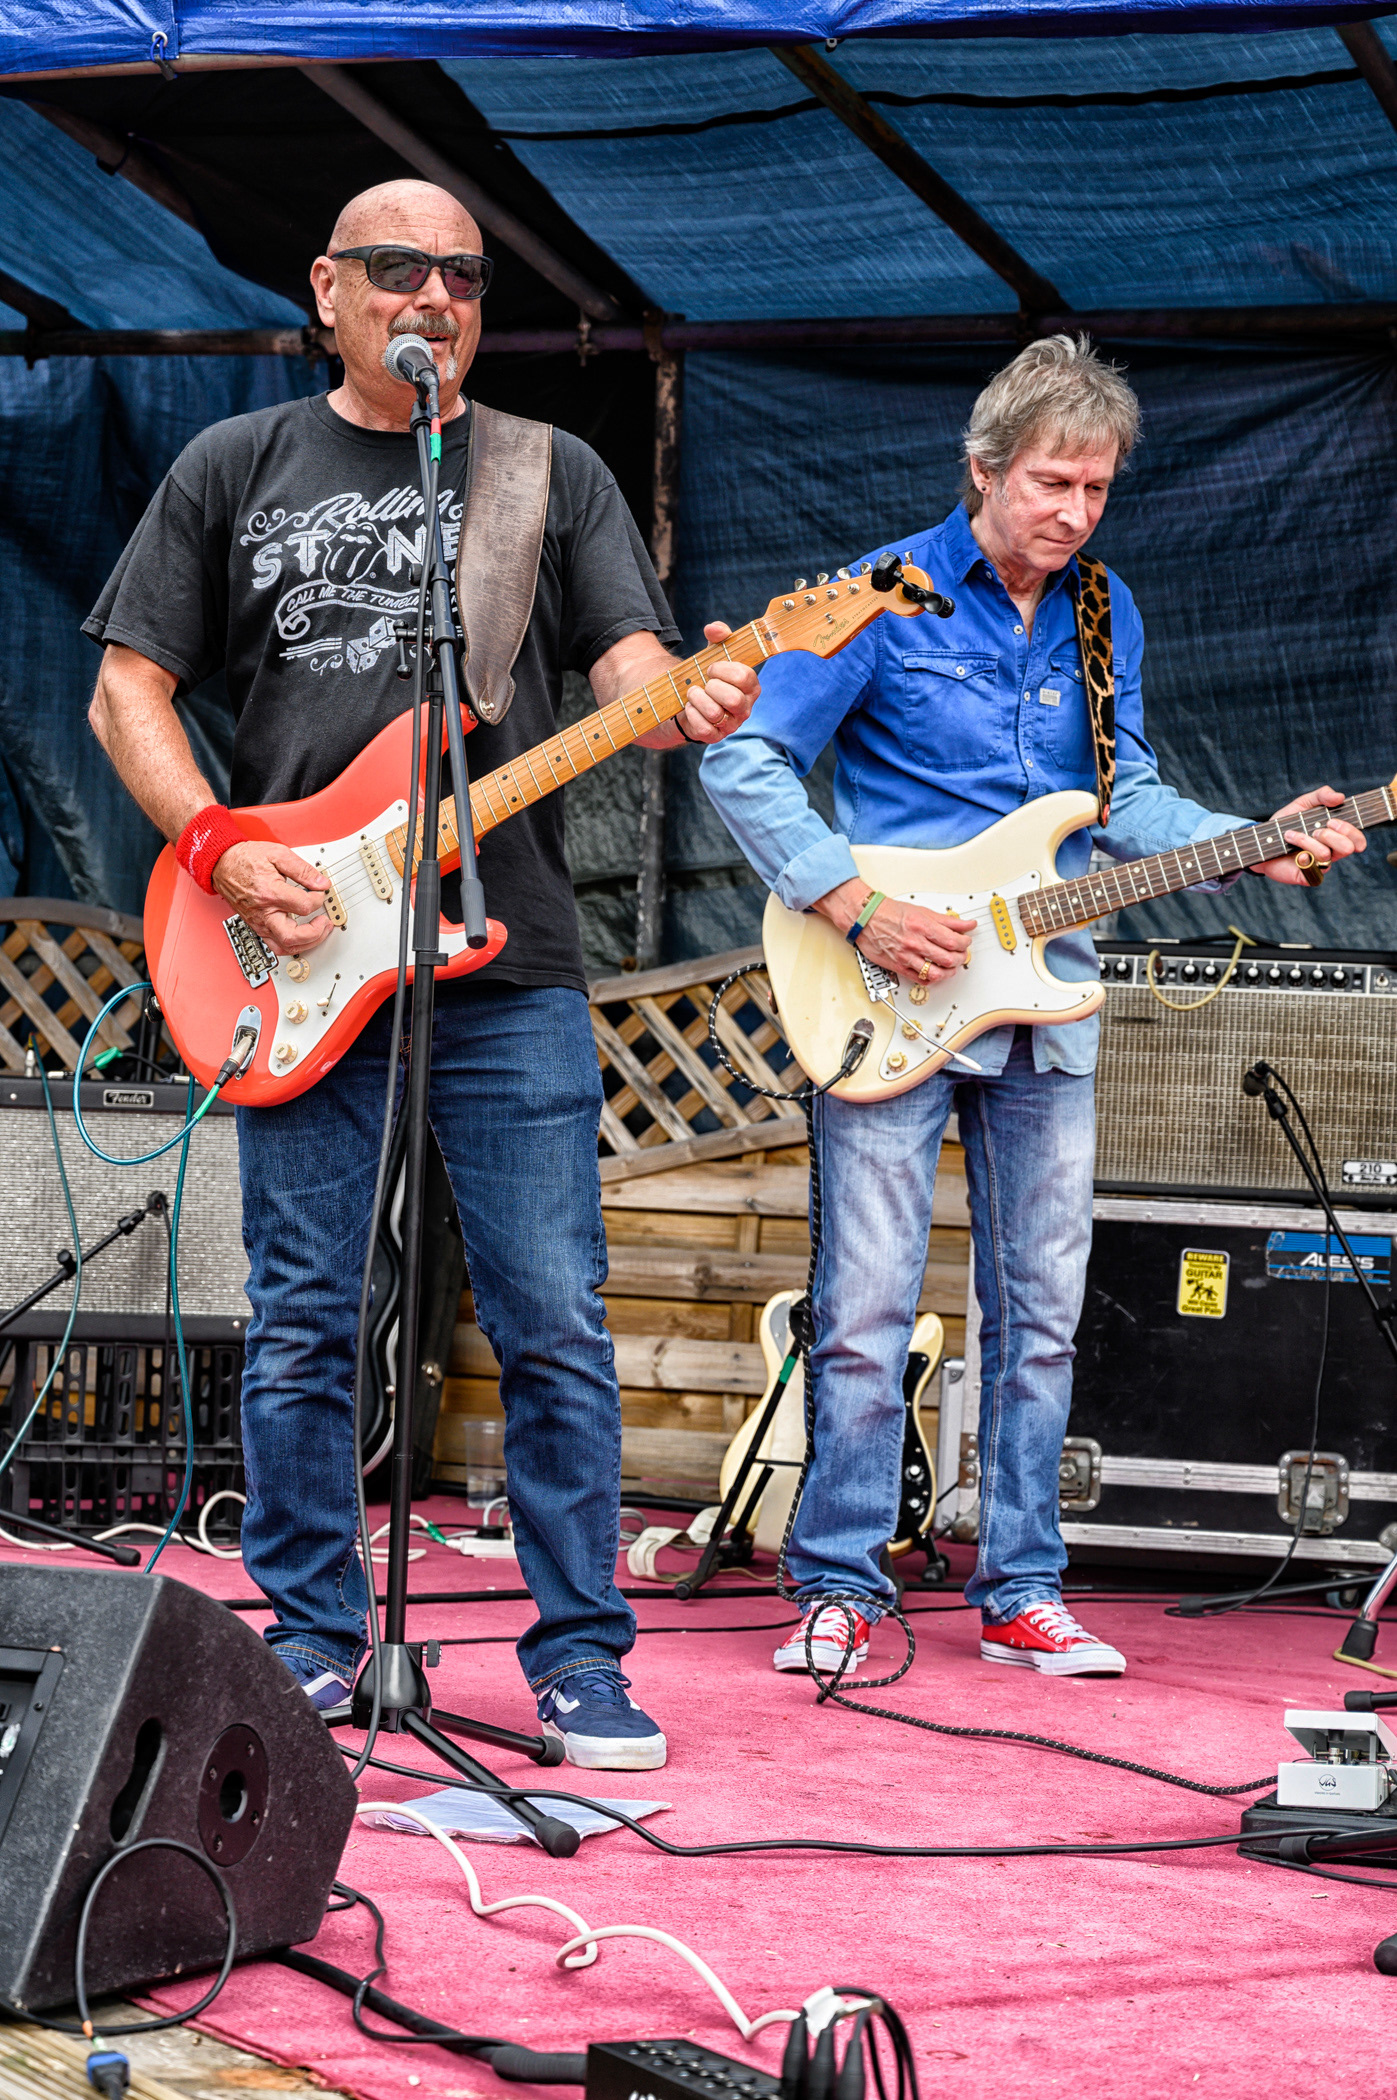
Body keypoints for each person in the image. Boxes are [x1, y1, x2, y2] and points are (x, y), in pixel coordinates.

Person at [83, 179, 759, 1769]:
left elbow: (629, 668)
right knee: (306, 1320)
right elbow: (126, 691)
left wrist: (687, 694)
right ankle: (314, 1639)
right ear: (329, 289)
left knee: (553, 1318)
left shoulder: (544, 470)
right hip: (296, 946)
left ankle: (580, 1655)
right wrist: (214, 849)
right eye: (399, 270)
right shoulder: (232, 464)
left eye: (462, 275)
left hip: (504, 962)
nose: (435, 297)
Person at [699, 335, 1364, 1680]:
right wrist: (856, 906)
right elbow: (743, 756)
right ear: (984, 468)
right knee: (865, 1309)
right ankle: (839, 1586)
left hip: (1047, 1000)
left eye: (1095, 489)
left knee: (1043, 1315)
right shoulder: (879, 597)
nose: (1072, 512)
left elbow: (1125, 802)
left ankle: (1020, 1588)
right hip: (887, 987)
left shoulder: (1103, 612)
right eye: (1051, 483)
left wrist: (1251, 841)